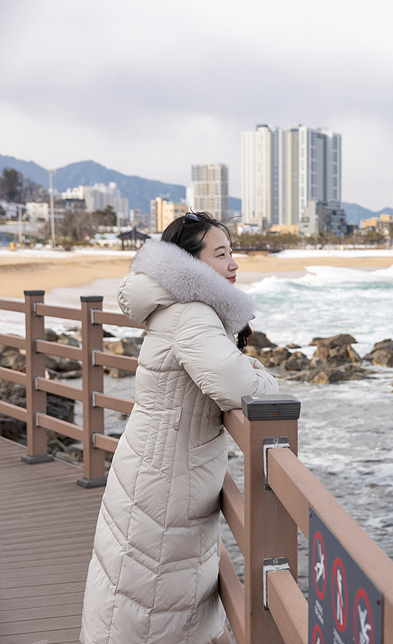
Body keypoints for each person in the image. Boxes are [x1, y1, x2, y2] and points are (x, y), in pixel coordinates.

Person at [80, 212, 278, 643]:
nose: (233, 265)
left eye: (232, 253)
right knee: (150, 609)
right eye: (221, 254)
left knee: (132, 603)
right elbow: (246, 390)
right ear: (188, 264)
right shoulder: (192, 315)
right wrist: (259, 370)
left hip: (153, 474)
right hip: (166, 488)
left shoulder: (175, 308)